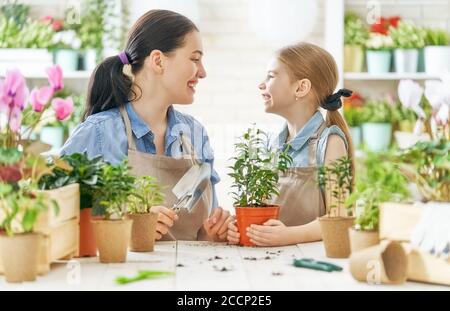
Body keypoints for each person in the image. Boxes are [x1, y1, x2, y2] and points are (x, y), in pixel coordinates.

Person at [61, 10, 231, 242]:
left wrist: (212, 233)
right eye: (194, 59)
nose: (202, 72)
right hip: (121, 276)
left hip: (191, 275)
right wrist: (125, 226)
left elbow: (202, 233)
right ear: (158, 61)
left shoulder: (195, 134)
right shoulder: (99, 133)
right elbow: (54, 216)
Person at [227, 42, 355, 246]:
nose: (261, 85)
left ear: (301, 87)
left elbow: (340, 217)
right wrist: (243, 228)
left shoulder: (329, 141)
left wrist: (289, 236)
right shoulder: (272, 144)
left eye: (271, 76)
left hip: (310, 261)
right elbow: (265, 212)